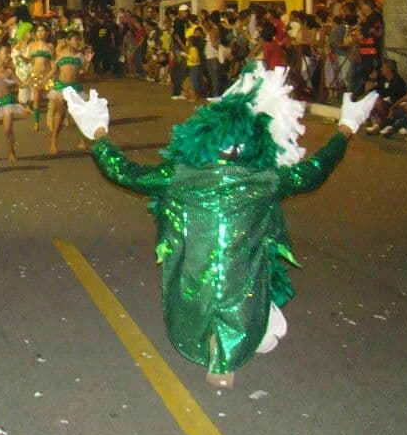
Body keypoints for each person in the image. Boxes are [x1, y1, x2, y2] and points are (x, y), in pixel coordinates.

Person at [62, 63, 378, 387]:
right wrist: (346, 128)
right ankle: (227, 355)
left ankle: (222, 349)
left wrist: (98, 133)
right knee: (247, 307)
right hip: (242, 281)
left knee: (208, 299)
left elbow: (124, 172)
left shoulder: (180, 176)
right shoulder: (264, 179)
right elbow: (313, 171)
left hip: (194, 273)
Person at [48, 31, 93, 154]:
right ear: (68, 41)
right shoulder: (59, 53)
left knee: (81, 115)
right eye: (75, 39)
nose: (78, 42)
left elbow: (84, 73)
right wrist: (44, 81)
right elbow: (53, 70)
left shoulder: (81, 56)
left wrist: (88, 61)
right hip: (61, 88)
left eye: (79, 39)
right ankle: (53, 140)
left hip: (75, 88)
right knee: (60, 115)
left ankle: (82, 141)